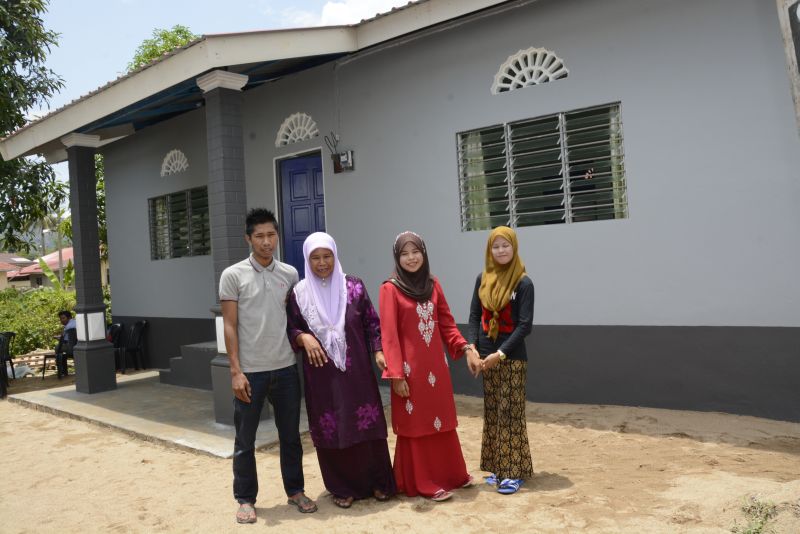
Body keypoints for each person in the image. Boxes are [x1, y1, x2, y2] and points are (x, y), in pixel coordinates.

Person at [219, 208, 317, 524]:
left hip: (287, 369)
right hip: (251, 372)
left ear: (277, 235)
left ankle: (295, 491)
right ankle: (246, 499)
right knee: (245, 440)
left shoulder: (289, 274)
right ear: (248, 238)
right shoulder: (232, 275)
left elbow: (297, 320)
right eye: (259, 236)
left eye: (271, 235)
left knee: (290, 436)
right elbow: (230, 326)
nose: (266, 242)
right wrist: (235, 371)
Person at [286, 232, 396, 509]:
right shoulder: (298, 294)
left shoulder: (354, 287)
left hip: (357, 369)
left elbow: (372, 323)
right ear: (307, 260)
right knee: (331, 425)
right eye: (315, 258)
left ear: (335, 256)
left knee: (365, 422)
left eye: (327, 256)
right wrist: (302, 337)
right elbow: (291, 327)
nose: (322, 263)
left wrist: (379, 351)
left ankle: (378, 482)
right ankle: (341, 487)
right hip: (320, 373)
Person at [379, 231, 482, 502]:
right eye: (404, 253)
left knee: (441, 421)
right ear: (397, 257)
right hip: (409, 371)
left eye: (416, 252)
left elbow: (447, 324)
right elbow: (388, 335)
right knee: (416, 423)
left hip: (437, 368)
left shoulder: (433, 285)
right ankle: (422, 482)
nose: (411, 258)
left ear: (424, 253)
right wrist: (396, 375)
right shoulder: (389, 289)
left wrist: (466, 348)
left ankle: (452, 475)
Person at [467, 226, 534, 495]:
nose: (501, 250)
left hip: (511, 358)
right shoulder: (482, 279)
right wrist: (472, 348)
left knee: (510, 414)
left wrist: (500, 354)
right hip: (485, 356)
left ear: (514, 248)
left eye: (506, 245)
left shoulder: (524, 283)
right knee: (494, 412)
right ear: (489, 250)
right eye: (496, 246)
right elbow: (474, 317)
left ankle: (513, 472)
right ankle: (499, 468)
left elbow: (524, 325)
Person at [55, 311, 77, 379]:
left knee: (57, 348)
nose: (61, 320)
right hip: (78, 346)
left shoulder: (68, 326)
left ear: (69, 317)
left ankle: (61, 371)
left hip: (71, 348)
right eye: (60, 319)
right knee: (62, 350)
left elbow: (64, 340)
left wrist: (59, 338)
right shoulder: (77, 322)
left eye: (63, 318)